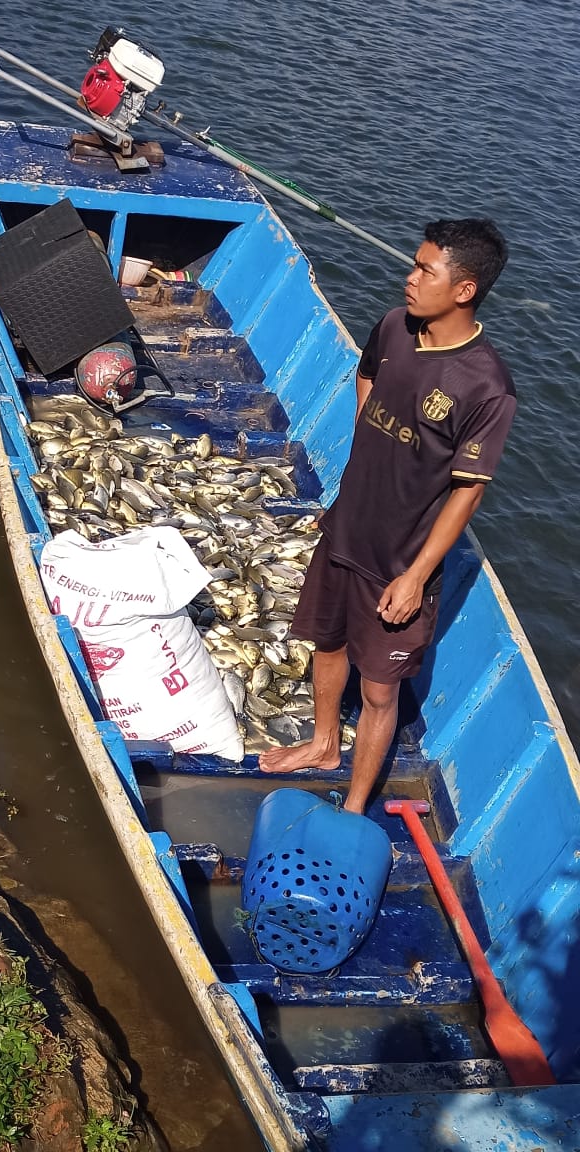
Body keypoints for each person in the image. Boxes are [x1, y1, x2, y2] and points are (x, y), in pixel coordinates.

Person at [259, 218, 514, 814]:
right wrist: (371, 432)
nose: (410, 278)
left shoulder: (485, 386)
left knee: (378, 690)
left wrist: (416, 576)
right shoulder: (396, 327)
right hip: (346, 527)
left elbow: (468, 494)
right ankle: (323, 745)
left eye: (426, 270)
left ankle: (351, 810)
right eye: (415, 264)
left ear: (464, 289)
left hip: (397, 559)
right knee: (325, 643)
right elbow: (367, 371)